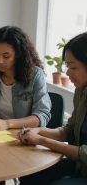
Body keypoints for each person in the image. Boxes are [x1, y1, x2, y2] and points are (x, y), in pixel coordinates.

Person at [19, 32, 87, 185]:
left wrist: (42, 140)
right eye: (67, 66)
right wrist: (39, 131)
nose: (68, 73)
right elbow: (69, 131)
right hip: (80, 166)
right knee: (30, 173)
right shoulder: (81, 90)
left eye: (73, 67)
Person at [0, 26, 51, 132]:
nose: (0, 61)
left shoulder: (35, 75)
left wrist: (8, 123)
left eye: (6, 56)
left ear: (18, 55)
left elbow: (42, 115)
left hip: (25, 135)